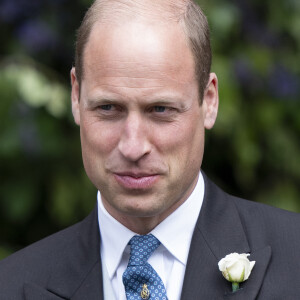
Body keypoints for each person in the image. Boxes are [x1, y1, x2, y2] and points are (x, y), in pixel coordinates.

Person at [0, 0, 299, 299]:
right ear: (76, 96)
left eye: (160, 109)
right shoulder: (11, 285)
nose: (133, 147)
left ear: (209, 101)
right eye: (108, 108)